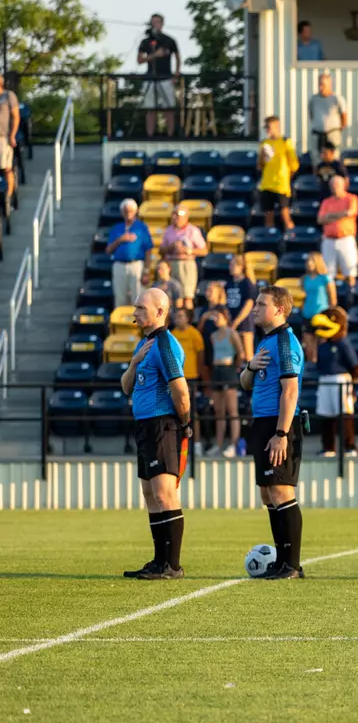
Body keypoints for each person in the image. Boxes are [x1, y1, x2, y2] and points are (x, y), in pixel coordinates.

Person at [120, 288, 191, 579]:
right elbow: (126, 386)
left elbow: (181, 390)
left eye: (141, 307)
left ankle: (172, 565)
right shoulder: (144, 345)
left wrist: (184, 424)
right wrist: (134, 363)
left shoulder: (165, 344)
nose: (135, 312)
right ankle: (159, 560)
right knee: (150, 494)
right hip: (145, 426)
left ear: (160, 311)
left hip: (163, 425)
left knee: (164, 493)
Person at [240, 286, 306, 580]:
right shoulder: (265, 342)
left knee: (281, 491)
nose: (255, 308)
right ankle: (281, 562)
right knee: (268, 494)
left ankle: (292, 565)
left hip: (279, 425)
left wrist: (281, 433)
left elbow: (290, 391)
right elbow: (245, 383)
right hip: (262, 422)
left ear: (279, 309)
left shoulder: (285, 342)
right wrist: (250, 366)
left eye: (261, 304)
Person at [198, 282, 245, 457]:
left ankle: (233, 444)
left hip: (228, 371)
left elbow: (240, 353)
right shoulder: (213, 335)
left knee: (232, 410)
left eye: (218, 316)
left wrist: (235, 366)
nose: (215, 319)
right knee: (219, 412)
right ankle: (218, 444)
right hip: (216, 371)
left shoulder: (232, 333)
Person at [310, 307, 358, 457]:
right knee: (326, 415)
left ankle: (349, 447)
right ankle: (328, 448)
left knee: (345, 414)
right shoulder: (322, 345)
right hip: (324, 380)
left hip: (341, 380)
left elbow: (354, 365)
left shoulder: (343, 343)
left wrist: (354, 385)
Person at [317, 173, 358, 299]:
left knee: (350, 272)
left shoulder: (351, 198)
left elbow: (350, 212)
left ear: (343, 185)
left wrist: (330, 216)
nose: (334, 187)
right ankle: (331, 299)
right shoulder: (326, 201)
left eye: (337, 184)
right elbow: (320, 219)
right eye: (332, 185)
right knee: (328, 274)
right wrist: (340, 215)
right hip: (329, 240)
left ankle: (352, 297)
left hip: (345, 239)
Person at [137, 13, 180, 137]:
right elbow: (139, 60)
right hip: (150, 78)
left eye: (157, 22)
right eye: (153, 22)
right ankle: (150, 136)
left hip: (166, 78)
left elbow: (177, 57)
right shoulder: (146, 41)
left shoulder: (169, 40)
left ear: (162, 24)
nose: (155, 25)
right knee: (150, 109)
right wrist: (154, 55)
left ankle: (170, 135)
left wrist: (176, 74)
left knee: (169, 109)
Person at [106, 198, 153, 311]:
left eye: (131, 211)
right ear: (122, 212)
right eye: (126, 211)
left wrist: (146, 271)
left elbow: (148, 250)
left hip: (136, 265)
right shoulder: (116, 228)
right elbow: (108, 250)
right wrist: (120, 239)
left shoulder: (141, 227)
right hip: (119, 265)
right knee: (120, 297)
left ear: (135, 211)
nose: (128, 213)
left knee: (137, 296)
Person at [161, 205, 207, 311]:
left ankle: (188, 319)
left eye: (178, 214)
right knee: (172, 296)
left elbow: (204, 250)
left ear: (186, 217)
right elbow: (161, 250)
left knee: (187, 297)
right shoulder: (168, 230)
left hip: (187, 264)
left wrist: (187, 250)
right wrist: (171, 247)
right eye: (174, 214)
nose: (175, 217)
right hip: (172, 263)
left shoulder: (193, 230)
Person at [258, 115, 299, 231]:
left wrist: (286, 177)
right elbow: (260, 166)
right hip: (267, 183)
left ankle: (291, 235)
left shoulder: (285, 142)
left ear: (276, 126)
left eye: (269, 127)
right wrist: (262, 156)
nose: (267, 130)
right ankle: (269, 236)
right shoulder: (265, 143)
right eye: (266, 127)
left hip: (281, 184)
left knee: (284, 212)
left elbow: (294, 165)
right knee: (268, 214)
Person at [223, 254, 258, 362]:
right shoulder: (229, 283)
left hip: (244, 322)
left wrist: (236, 322)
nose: (230, 267)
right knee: (236, 356)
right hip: (231, 320)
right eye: (230, 265)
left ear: (241, 267)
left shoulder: (246, 283)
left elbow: (249, 304)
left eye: (233, 265)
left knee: (248, 355)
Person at [307, 73, 349, 155]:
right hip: (318, 135)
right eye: (319, 84)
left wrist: (335, 130)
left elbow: (344, 119)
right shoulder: (313, 99)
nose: (321, 87)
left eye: (323, 85)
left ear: (329, 85)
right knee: (317, 158)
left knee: (334, 158)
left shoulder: (337, 99)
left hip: (332, 135)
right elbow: (312, 115)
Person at [298, 252, 336, 341]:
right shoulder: (304, 279)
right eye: (308, 261)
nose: (309, 263)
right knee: (308, 344)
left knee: (322, 344)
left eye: (312, 261)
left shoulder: (325, 278)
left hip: (321, 315)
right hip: (307, 315)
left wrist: (330, 314)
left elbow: (333, 299)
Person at [0, 76, 18, 205]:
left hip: (3, 137)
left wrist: (12, 135)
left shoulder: (8, 95)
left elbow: (16, 117)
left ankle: (8, 197)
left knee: (6, 168)